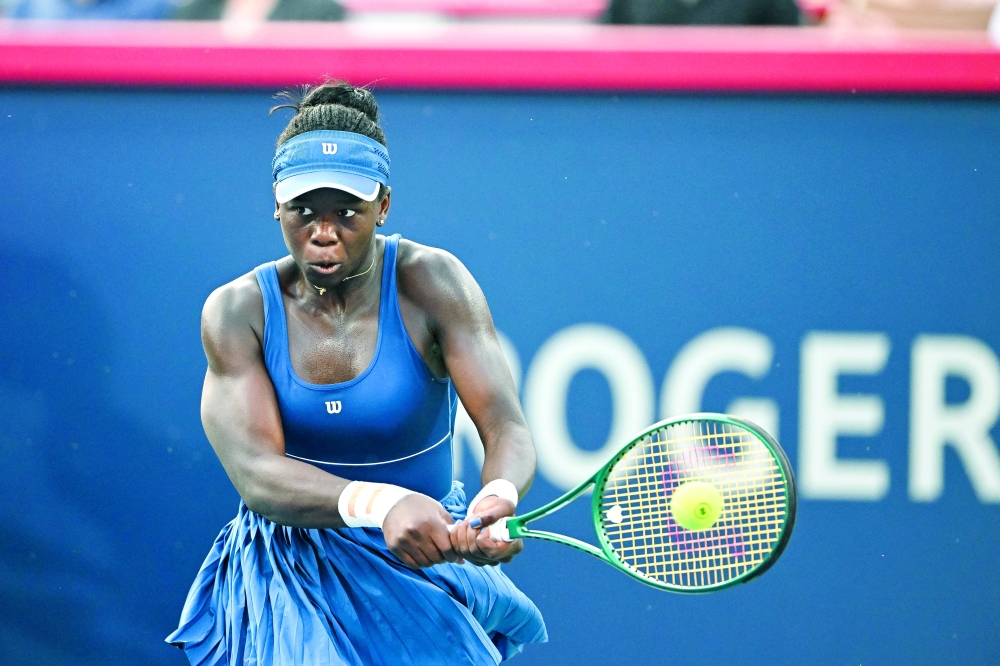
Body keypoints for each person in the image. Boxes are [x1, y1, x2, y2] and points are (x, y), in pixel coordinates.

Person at [166, 81, 547, 665]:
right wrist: (381, 504)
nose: (323, 232)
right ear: (276, 204)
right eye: (303, 212)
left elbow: (505, 426)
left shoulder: (433, 283)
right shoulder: (237, 312)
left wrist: (496, 496)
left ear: (384, 206)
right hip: (291, 573)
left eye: (347, 212)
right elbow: (257, 475)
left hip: (423, 556)